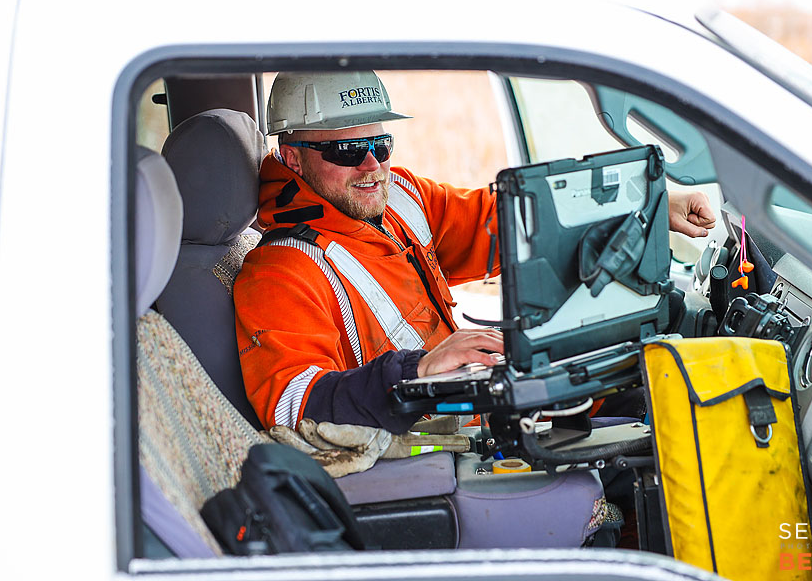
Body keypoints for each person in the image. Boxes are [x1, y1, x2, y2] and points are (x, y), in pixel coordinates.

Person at [234, 71, 716, 434]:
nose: (372, 166)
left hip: (475, 407)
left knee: (648, 397)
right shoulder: (280, 273)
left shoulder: (400, 195)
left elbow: (507, 223)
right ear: (292, 157)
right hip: (427, 450)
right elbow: (290, 405)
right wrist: (417, 370)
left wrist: (651, 205)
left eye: (381, 145)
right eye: (346, 151)